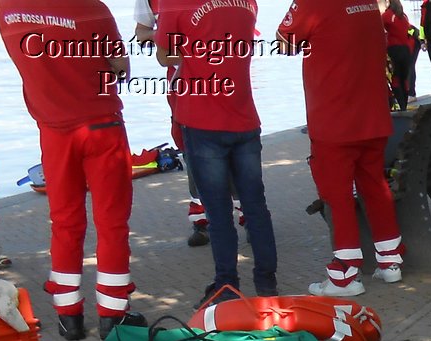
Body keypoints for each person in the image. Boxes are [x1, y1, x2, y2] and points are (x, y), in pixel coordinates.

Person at [0, 0, 145, 340]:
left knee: (65, 222)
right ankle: (112, 315)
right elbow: (119, 67)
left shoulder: (5, 7)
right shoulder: (90, 6)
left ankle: (69, 317)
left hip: (53, 132)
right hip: (101, 127)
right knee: (111, 223)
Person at [278, 0, 405, 295]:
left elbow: (285, 42)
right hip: (372, 114)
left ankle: (346, 276)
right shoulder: (368, 4)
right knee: (376, 187)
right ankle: (390, 261)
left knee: (338, 195)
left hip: (334, 118)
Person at [157, 0, 278, 305]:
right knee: (255, 206)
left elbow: (164, 56)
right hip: (244, 116)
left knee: (218, 212)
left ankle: (227, 287)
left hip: (202, 121)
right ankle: (267, 285)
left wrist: (192, 50)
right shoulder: (247, 3)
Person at [133, 0, 208, 247]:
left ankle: (246, 215)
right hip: (180, 80)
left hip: (221, 73)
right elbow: (141, 34)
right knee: (189, 147)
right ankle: (202, 218)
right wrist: (164, 32)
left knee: (232, 143)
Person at [381, 0, 416, 109]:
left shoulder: (387, 16)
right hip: (406, 50)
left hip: (394, 50)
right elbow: (407, 30)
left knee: (395, 78)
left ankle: (401, 106)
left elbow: (379, 29)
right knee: (404, 78)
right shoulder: (403, 16)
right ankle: (404, 104)